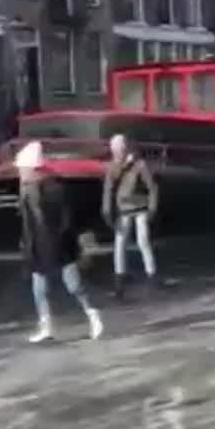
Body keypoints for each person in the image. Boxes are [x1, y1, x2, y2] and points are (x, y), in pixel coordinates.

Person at [16, 141, 103, 343]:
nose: (20, 172)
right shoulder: (38, 189)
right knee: (47, 288)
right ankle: (52, 325)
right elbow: (34, 223)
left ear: (32, 168)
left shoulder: (42, 189)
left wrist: (30, 247)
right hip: (48, 245)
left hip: (51, 245)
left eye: (22, 168)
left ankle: (88, 316)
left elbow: (44, 222)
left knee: (65, 286)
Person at [101, 133, 159, 299]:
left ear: (124, 149)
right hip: (123, 208)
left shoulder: (140, 165)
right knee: (119, 244)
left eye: (118, 150)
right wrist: (106, 210)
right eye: (114, 151)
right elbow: (108, 189)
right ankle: (119, 283)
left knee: (143, 242)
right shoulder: (113, 166)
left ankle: (152, 277)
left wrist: (152, 208)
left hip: (140, 207)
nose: (115, 153)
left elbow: (152, 188)